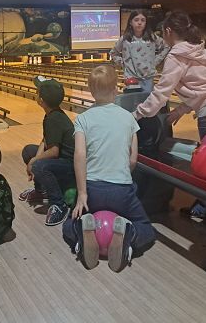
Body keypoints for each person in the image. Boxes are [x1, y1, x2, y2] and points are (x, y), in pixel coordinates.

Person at [133, 10, 206, 219]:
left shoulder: (176, 56)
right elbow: (202, 86)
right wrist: (181, 110)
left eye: (162, 32)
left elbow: (162, 92)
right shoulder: (198, 49)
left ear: (169, 31)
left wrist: (137, 114)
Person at [62, 65, 156, 273]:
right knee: (146, 228)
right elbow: (133, 160)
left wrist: (82, 193)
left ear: (90, 91)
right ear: (116, 89)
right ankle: (129, 235)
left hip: (92, 191)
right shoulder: (129, 118)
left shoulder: (83, 119)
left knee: (68, 225)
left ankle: (80, 234)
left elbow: (79, 155)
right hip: (121, 190)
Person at [19, 76, 75, 226]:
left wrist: (34, 162)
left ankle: (59, 204)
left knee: (38, 165)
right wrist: (34, 158)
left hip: (70, 166)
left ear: (41, 100)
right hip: (61, 161)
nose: (36, 93)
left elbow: (53, 151)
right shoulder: (53, 114)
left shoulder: (54, 119)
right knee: (29, 151)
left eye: (38, 92)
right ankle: (41, 191)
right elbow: (45, 141)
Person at [110, 10, 170, 93]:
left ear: (146, 23)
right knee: (133, 99)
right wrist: (124, 63)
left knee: (146, 99)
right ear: (130, 22)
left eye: (143, 20)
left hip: (148, 77)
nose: (139, 23)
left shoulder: (151, 37)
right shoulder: (125, 39)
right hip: (131, 77)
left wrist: (155, 61)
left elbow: (166, 46)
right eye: (136, 20)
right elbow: (113, 53)